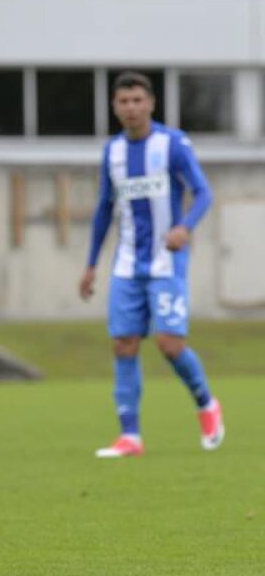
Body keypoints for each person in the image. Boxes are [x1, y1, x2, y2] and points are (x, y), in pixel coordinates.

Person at [80, 71, 224, 459]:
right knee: (124, 343)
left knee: (169, 344)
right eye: (123, 101)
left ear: (151, 104)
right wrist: (91, 264)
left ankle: (207, 404)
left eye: (137, 100)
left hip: (166, 261)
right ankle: (131, 436)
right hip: (127, 263)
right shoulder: (113, 152)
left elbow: (204, 192)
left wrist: (185, 226)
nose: (131, 107)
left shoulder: (172, 144)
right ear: (115, 106)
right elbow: (104, 210)